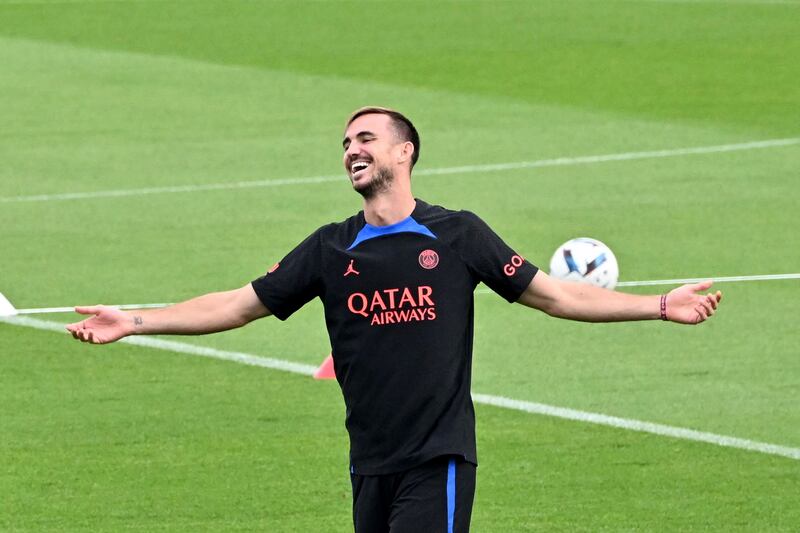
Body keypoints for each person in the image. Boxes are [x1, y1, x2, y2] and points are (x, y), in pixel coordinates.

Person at [67, 106, 723, 532]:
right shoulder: (331, 247)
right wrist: (136, 320)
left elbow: (556, 294)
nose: (351, 149)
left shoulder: (458, 235)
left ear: (404, 153)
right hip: (368, 466)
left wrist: (659, 305)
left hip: (436, 461)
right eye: (346, 142)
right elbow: (237, 304)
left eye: (366, 138)